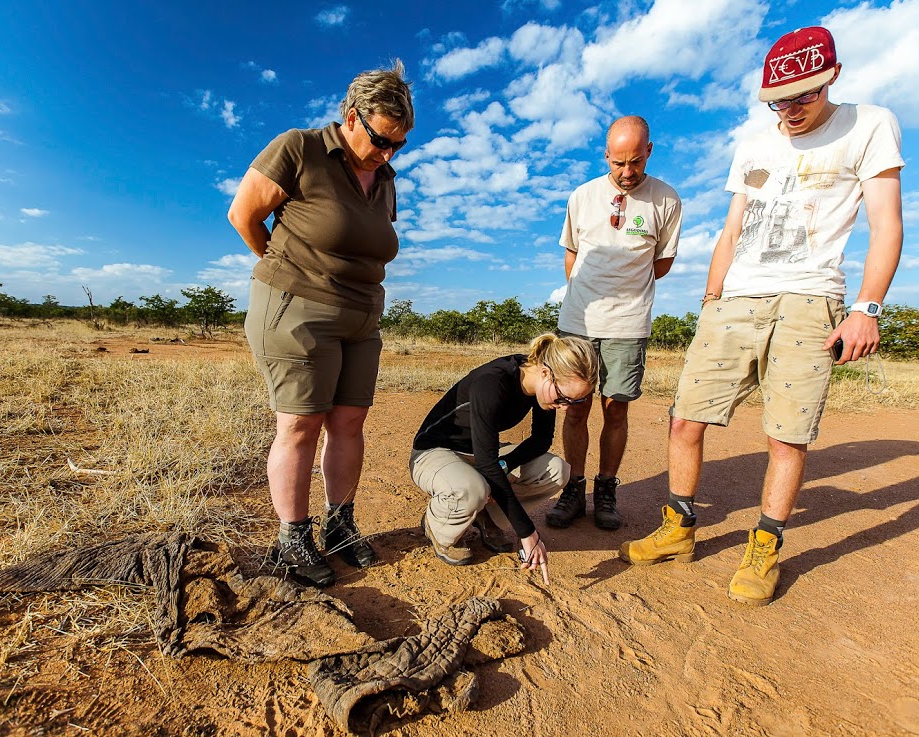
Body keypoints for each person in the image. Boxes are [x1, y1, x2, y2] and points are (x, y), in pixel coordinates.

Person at [619, 26, 904, 607]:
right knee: (685, 419)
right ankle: (678, 527)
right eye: (779, 100)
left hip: (810, 299)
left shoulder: (870, 125)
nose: (791, 111)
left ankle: (766, 544)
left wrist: (866, 309)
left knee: (786, 435)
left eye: (804, 96)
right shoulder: (753, 142)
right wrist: (711, 298)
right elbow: (733, 228)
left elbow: (886, 224)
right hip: (736, 300)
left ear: (833, 77)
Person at [227, 61, 413, 588]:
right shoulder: (300, 148)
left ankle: (340, 524)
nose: (388, 153)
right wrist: (291, 276)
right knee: (300, 424)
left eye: (398, 144)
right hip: (297, 309)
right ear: (350, 117)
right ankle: (292, 536)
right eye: (381, 140)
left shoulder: (385, 178)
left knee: (349, 422)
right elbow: (243, 215)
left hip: (362, 317)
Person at [545, 115, 682, 531]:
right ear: (606, 155)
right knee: (574, 408)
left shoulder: (666, 200)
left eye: (636, 162)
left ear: (649, 152)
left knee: (615, 408)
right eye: (618, 162)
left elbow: (661, 263)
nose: (627, 172)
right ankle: (573, 488)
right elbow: (571, 257)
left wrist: (624, 292)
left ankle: (606, 490)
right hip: (579, 320)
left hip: (628, 323)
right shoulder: (582, 196)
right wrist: (589, 294)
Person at [410, 334, 601, 585]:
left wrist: (506, 464)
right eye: (563, 398)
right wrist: (528, 533)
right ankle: (438, 525)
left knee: (557, 470)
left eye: (574, 401)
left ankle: (486, 516)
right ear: (546, 373)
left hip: (481, 453)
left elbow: (541, 440)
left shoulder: (542, 388)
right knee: (472, 488)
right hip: (435, 453)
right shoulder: (492, 383)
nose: (565, 407)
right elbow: (488, 464)